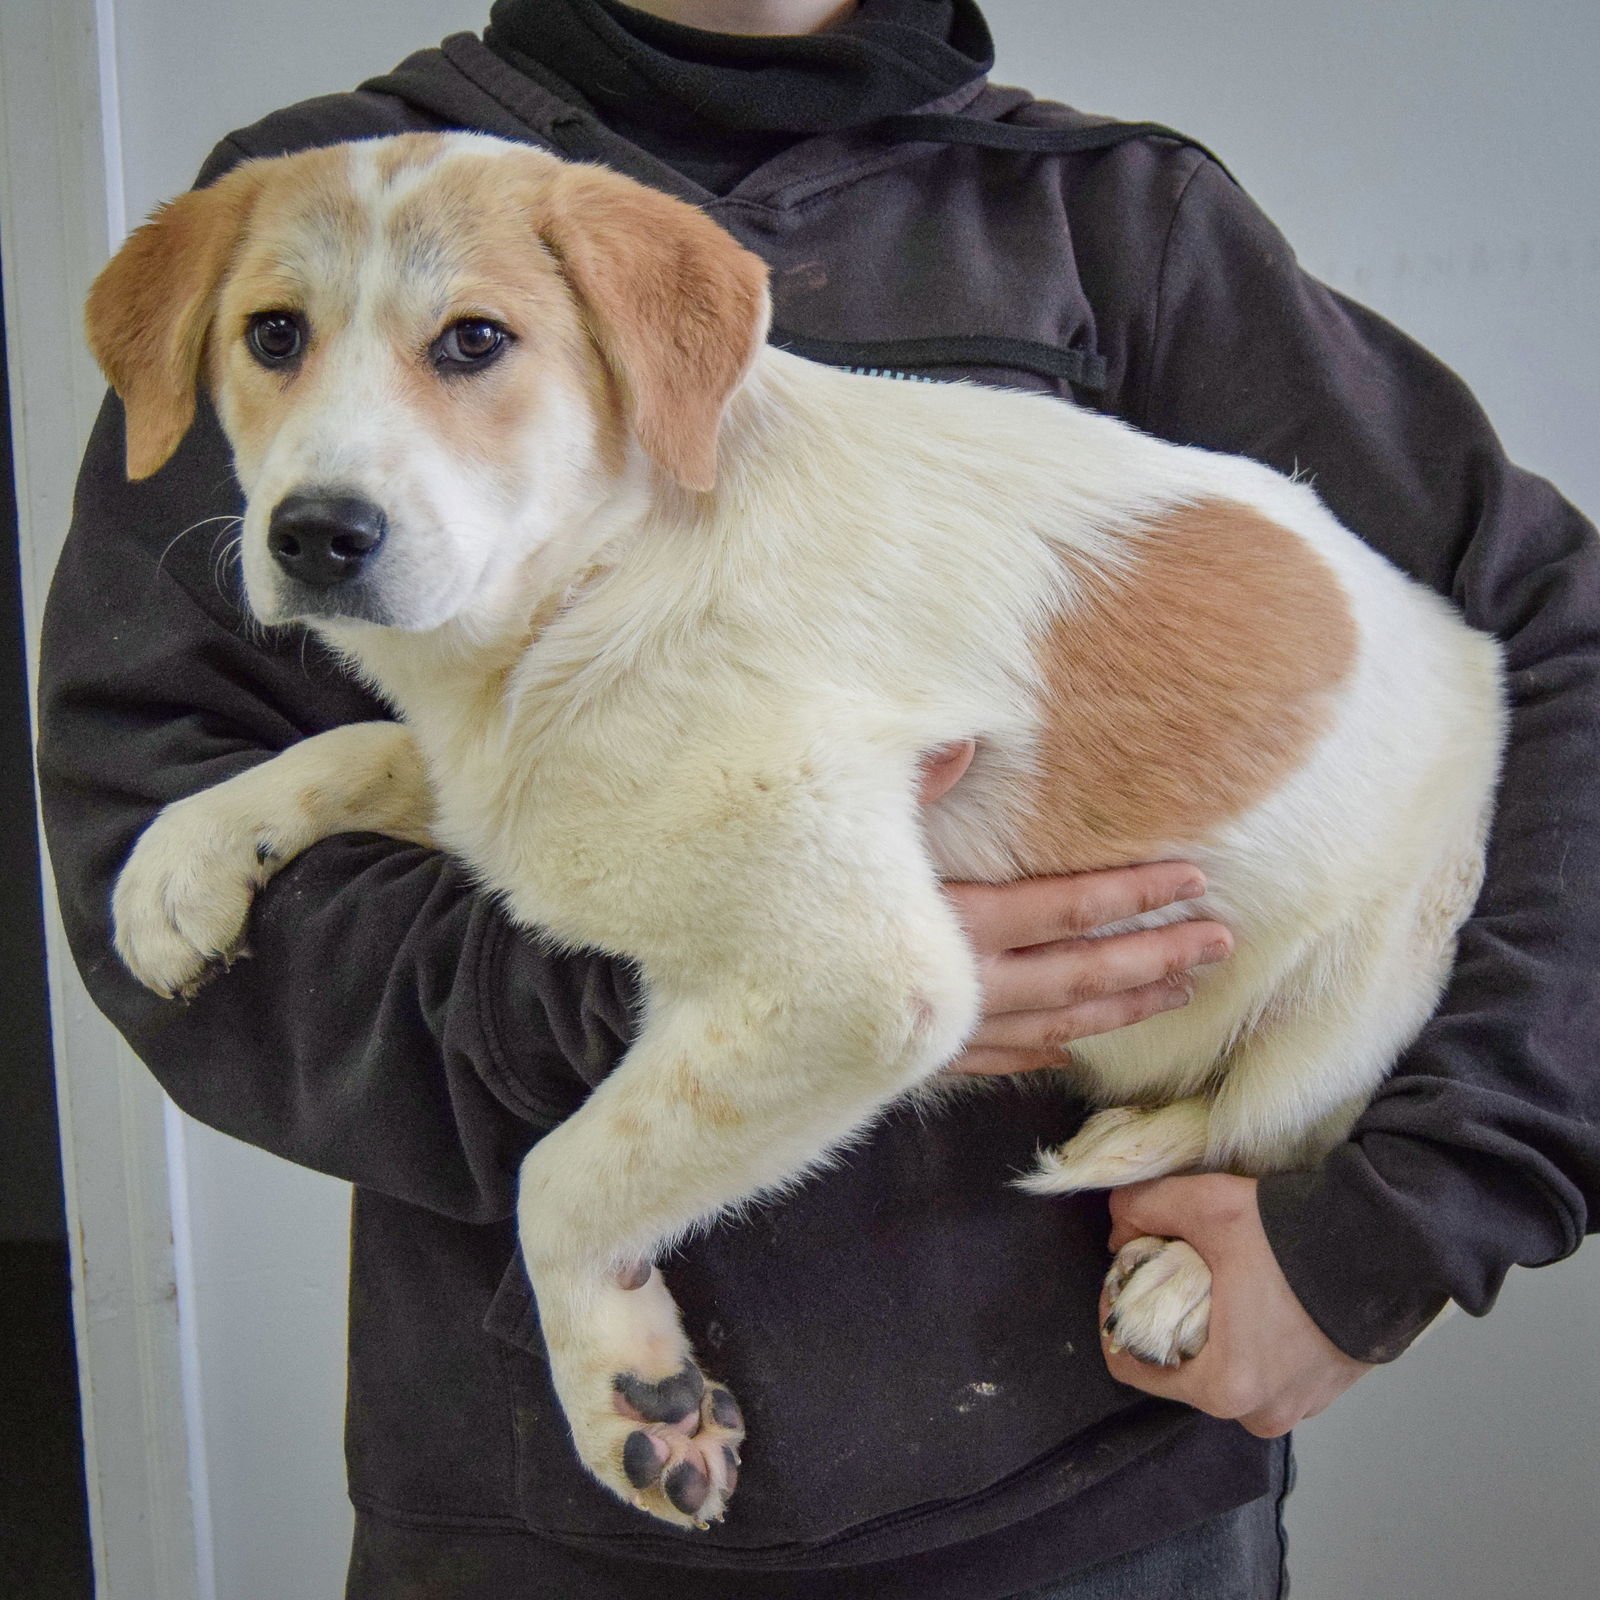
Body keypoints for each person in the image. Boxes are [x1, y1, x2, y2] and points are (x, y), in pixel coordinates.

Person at [36, 2, 1600, 1596]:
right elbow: (393, 806)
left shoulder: (1107, 217)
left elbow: (1553, 652)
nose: (332, 458)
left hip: (1098, 1478)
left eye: (469, 346)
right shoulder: (308, 189)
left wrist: (1392, 1230)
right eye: (279, 342)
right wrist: (586, 990)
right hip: (527, 1524)